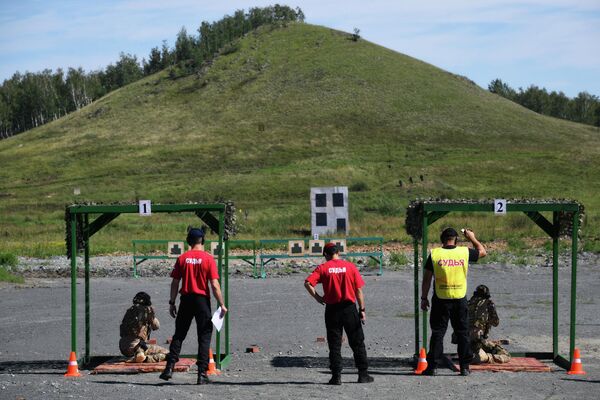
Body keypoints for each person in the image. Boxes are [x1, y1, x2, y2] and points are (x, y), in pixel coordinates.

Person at [159, 227, 228, 384]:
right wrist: (222, 304)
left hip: (186, 299)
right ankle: (202, 374)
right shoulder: (208, 259)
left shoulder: (182, 258)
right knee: (204, 336)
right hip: (202, 300)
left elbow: (175, 282)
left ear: (189, 241)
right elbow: (215, 285)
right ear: (202, 240)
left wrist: (172, 302)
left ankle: (169, 367)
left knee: (179, 334)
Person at [304, 242, 374, 385]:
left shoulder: (323, 268)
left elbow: (307, 283)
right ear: (338, 252)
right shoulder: (350, 266)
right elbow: (359, 291)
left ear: (326, 254)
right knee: (357, 342)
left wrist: (318, 298)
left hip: (332, 310)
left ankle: (336, 376)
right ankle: (363, 374)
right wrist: (362, 310)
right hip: (349, 308)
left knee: (334, 344)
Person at [420, 227, 487, 376]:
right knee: (462, 333)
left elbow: (427, 279)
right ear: (456, 239)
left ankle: (432, 367)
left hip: (440, 298)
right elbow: (482, 252)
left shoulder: (435, 254)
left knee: (437, 333)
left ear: (442, 239)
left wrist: (423, 298)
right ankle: (464, 367)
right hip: (459, 298)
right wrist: (472, 238)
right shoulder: (464, 252)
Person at [119, 291, 169, 363]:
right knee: (167, 353)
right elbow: (156, 326)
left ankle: (138, 354)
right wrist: (152, 315)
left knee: (141, 345)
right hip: (137, 346)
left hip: (123, 346)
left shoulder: (130, 311)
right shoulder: (147, 310)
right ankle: (144, 358)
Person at [468, 285, 510, 364]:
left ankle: (473, 353)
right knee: (506, 355)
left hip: (464, 341)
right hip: (478, 340)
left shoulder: (467, 303)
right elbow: (495, 323)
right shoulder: (489, 303)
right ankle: (486, 357)